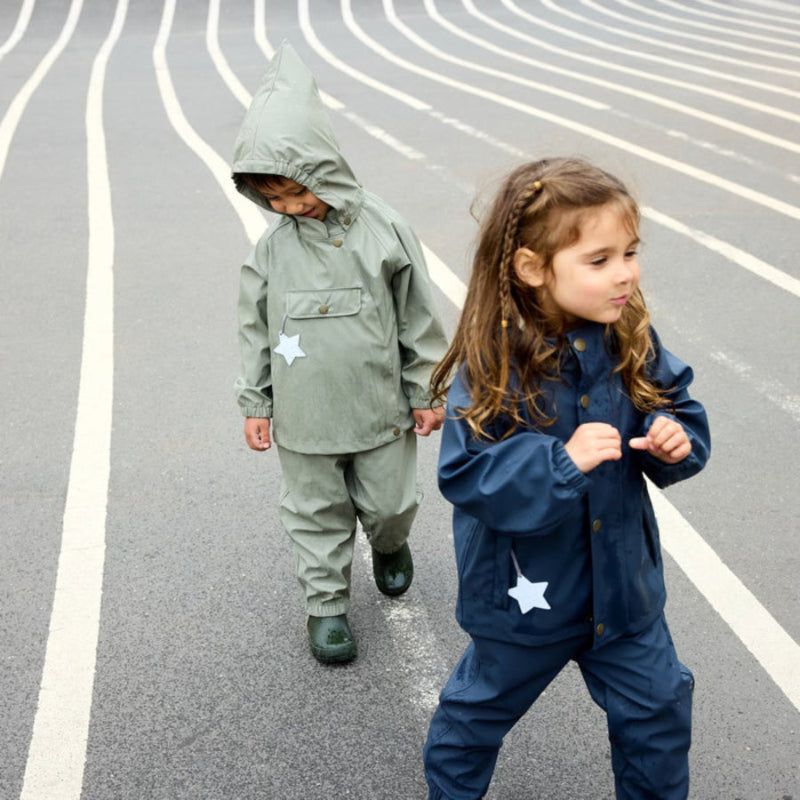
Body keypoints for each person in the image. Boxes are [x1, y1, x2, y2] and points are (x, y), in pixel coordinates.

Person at [422, 158, 710, 799]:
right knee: (474, 717)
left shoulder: (628, 335)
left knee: (659, 709)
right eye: (600, 259)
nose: (626, 274)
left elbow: (677, 406)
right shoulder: (494, 363)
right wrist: (560, 461)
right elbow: (465, 473)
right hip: (525, 602)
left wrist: (673, 438)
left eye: (630, 252)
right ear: (531, 268)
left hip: (623, 594)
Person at [232, 42, 448, 665]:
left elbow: (417, 314)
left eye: (297, 194)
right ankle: (325, 606)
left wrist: (425, 389)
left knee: (390, 503)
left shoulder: (383, 229)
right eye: (272, 200)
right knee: (315, 514)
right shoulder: (272, 250)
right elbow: (252, 325)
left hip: (379, 410)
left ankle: (389, 543)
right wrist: (256, 400)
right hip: (305, 419)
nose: (289, 208)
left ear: (322, 167)